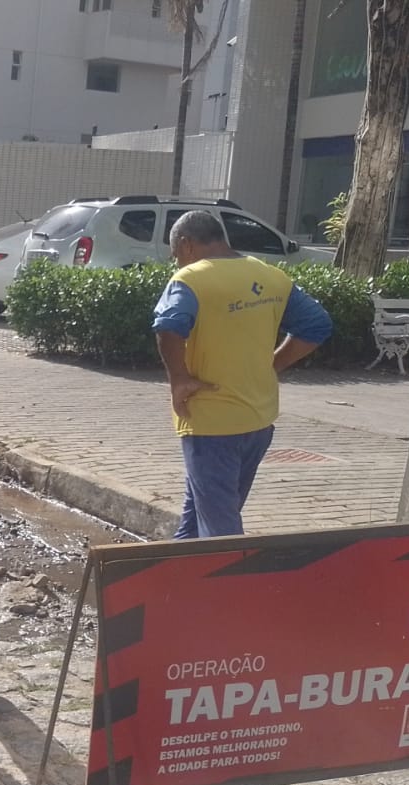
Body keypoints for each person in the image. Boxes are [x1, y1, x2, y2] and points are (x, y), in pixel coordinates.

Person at [153, 210, 333, 540]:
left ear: (187, 244)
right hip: (258, 422)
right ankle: (176, 569)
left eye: (175, 254)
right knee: (200, 515)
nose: (177, 262)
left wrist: (179, 380)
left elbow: (168, 326)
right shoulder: (270, 276)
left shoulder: (191, 279)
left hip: (211, 422)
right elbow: (317, 325)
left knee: (220, 531)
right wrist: (273, 365)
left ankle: (229, 574)